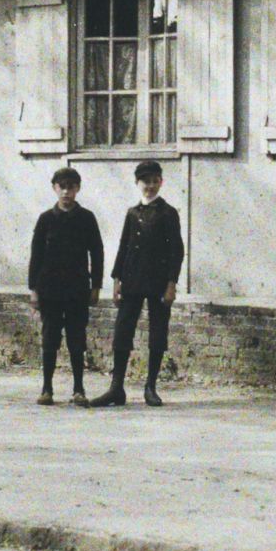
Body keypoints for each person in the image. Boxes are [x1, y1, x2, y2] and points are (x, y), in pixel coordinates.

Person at [89, 159, 184, 408]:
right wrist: (117, 280)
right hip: (131, 280)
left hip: (158, 281)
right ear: (137, 183)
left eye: (155, 181)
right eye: (145, 181)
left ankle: (150, 387)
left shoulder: (168, 213)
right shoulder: (132, 213)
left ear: (161, 182)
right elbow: (124, 247)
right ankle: (116, 388)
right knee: (123, 330)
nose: (150, 186)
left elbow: (177, 251)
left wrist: (171, 284)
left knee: (157, 332)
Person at [26, 166, 103, 406]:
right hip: (49, 290)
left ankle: (78, 389)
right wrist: (34, 290)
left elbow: (97, 253)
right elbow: (36, 255)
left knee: (76, 339)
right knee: (50, 338)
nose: (66, 192)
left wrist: (96, 286)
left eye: (71, 187)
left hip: (77, 290)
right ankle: (47, 388)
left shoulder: (86, 218)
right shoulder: (46, 219)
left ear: (77, 189)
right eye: (62, 187)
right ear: (54, 189)